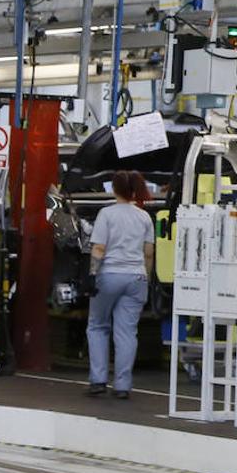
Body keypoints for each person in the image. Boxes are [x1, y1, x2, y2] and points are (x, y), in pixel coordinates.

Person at [86, 170, 155, 399]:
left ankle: (98, 380)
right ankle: (123, 385)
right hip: (136, 277)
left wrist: (92, 274)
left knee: (98, 326)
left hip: (109, 274)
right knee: (126, 333)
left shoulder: (106, 214)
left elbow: (99, 248)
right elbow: (148, 253)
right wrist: (145, 278)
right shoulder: (144, 217)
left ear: (114, 189)